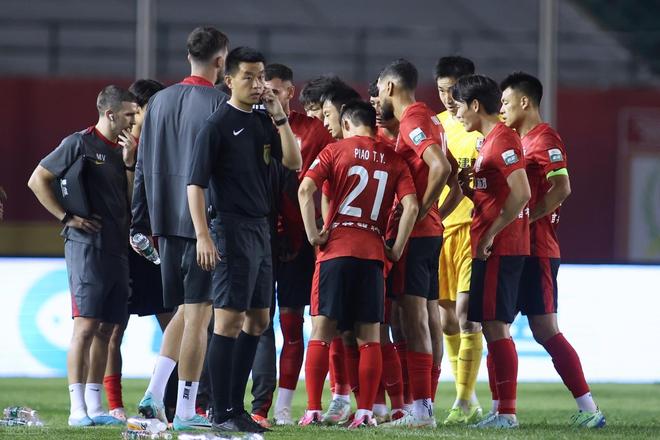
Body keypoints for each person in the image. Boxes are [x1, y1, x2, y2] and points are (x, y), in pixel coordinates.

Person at [187, 46, 302, 434]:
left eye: (261, 76)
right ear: (229, 80)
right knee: (229, 320)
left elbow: (293, 162)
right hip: (230, 228)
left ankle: (235, 408)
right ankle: (221, 410)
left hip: (261, 229)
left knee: (258, 319)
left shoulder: (264, 121)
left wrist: (280, 116)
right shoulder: (217, 125)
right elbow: (195, 184)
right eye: (249, 77)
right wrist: (203, 235)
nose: (257, 84)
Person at [298, 100, 419, 428]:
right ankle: (366, 411)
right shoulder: (393, 159)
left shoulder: (334, 150)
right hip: (372, 253)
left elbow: (306, 189)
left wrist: (313, 234)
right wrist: (396, 247)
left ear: (347, 123)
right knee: (370, 337)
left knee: (322, 331)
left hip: (336, 250)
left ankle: (313, 409)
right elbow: (411, 205)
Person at [132, 26, 229, 431]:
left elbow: (141, 163)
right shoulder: (221, 103)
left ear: (189, 55)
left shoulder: (158, 101)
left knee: (185, 312)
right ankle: (187, 410)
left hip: (164, 224)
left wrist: (139, 220)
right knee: (199, 316)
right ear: (221, 60)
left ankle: (154, 393)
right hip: (202, 223)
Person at [27, 85, 138, 427]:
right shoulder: (79, 143)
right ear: (110, 114)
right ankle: (77, 409)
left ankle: (94, 405)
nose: (134, 120)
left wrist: (130, 163)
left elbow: (130, 201)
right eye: (129, 115)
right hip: (86, 246)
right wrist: (66, 217)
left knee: (107, 327)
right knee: (86, 325)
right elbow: (38, 179)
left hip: (118, 247)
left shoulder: (125, 150)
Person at [500, 71, 605, 428]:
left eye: (506, 102)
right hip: (519, 248)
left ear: (524, 102)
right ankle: (502, 411)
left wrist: (525, 219)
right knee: (494, 326)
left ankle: (589, 409)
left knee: (544, 329)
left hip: (538, 250)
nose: (502, 109)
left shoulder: (544, 138)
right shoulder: (519, 140)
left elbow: (562, 187)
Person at [249, 63, 334, 428]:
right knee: (258, 322)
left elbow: (327, 185)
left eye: (275, 90)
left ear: (290, 92)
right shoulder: (251, 125)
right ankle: (259, 407)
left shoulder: (313, 130)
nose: (268, 95)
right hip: (260, 238)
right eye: (264, 89)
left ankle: (284, 407)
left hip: (300, 242)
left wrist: (311, 231)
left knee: (292, 324)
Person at [376, 59, 460, 428]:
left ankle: (422, 409)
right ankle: (421, 405)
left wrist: (421, 211)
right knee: (422, 316)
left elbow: (442, 168)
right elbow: (456, 178)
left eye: (379, 89)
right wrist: (436, 211)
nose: (379, 97)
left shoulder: (412, 120)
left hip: (418, 233)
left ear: (390, 87)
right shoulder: (431, 119)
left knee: (414, 319)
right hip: (430, 233)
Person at [452, 74, 531, 429]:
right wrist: (469, 190)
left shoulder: (503, 139)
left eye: (459, 106)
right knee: (488, 325)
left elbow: (522, 192)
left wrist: (493, 232)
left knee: (497, 326)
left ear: (475, 105)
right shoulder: (487, 142)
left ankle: (508, 413)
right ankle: (500, 410)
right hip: (487, 244)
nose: (456, 114)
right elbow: (495, 196)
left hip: (501, 246)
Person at [102, 79, 172, 422]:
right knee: (115, 329)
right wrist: (129, 164)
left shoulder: (163, 145)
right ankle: (114, 404)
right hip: (126, 251)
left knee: (174, 324)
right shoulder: (116, 148)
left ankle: (166, 399)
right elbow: (129, 206)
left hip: (157, 249)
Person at [433, 56, 485, 425]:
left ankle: (464, 400)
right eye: (441, 91)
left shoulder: (483, 129)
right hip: (440, 231)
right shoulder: (434, 126)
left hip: (472, 230)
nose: (448, 99)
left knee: (467, 316)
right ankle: (469, 398)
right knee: (446, 320)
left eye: (453, 91)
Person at [367, 80, 407, 423]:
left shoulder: (408, 139)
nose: (377, 109)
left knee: (395, 325)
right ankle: (382, 404)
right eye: (372, 104)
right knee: (374, 327)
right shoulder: (375, 143)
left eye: (379, 101)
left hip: (394, 245)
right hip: (378, 244)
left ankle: (404, 403)